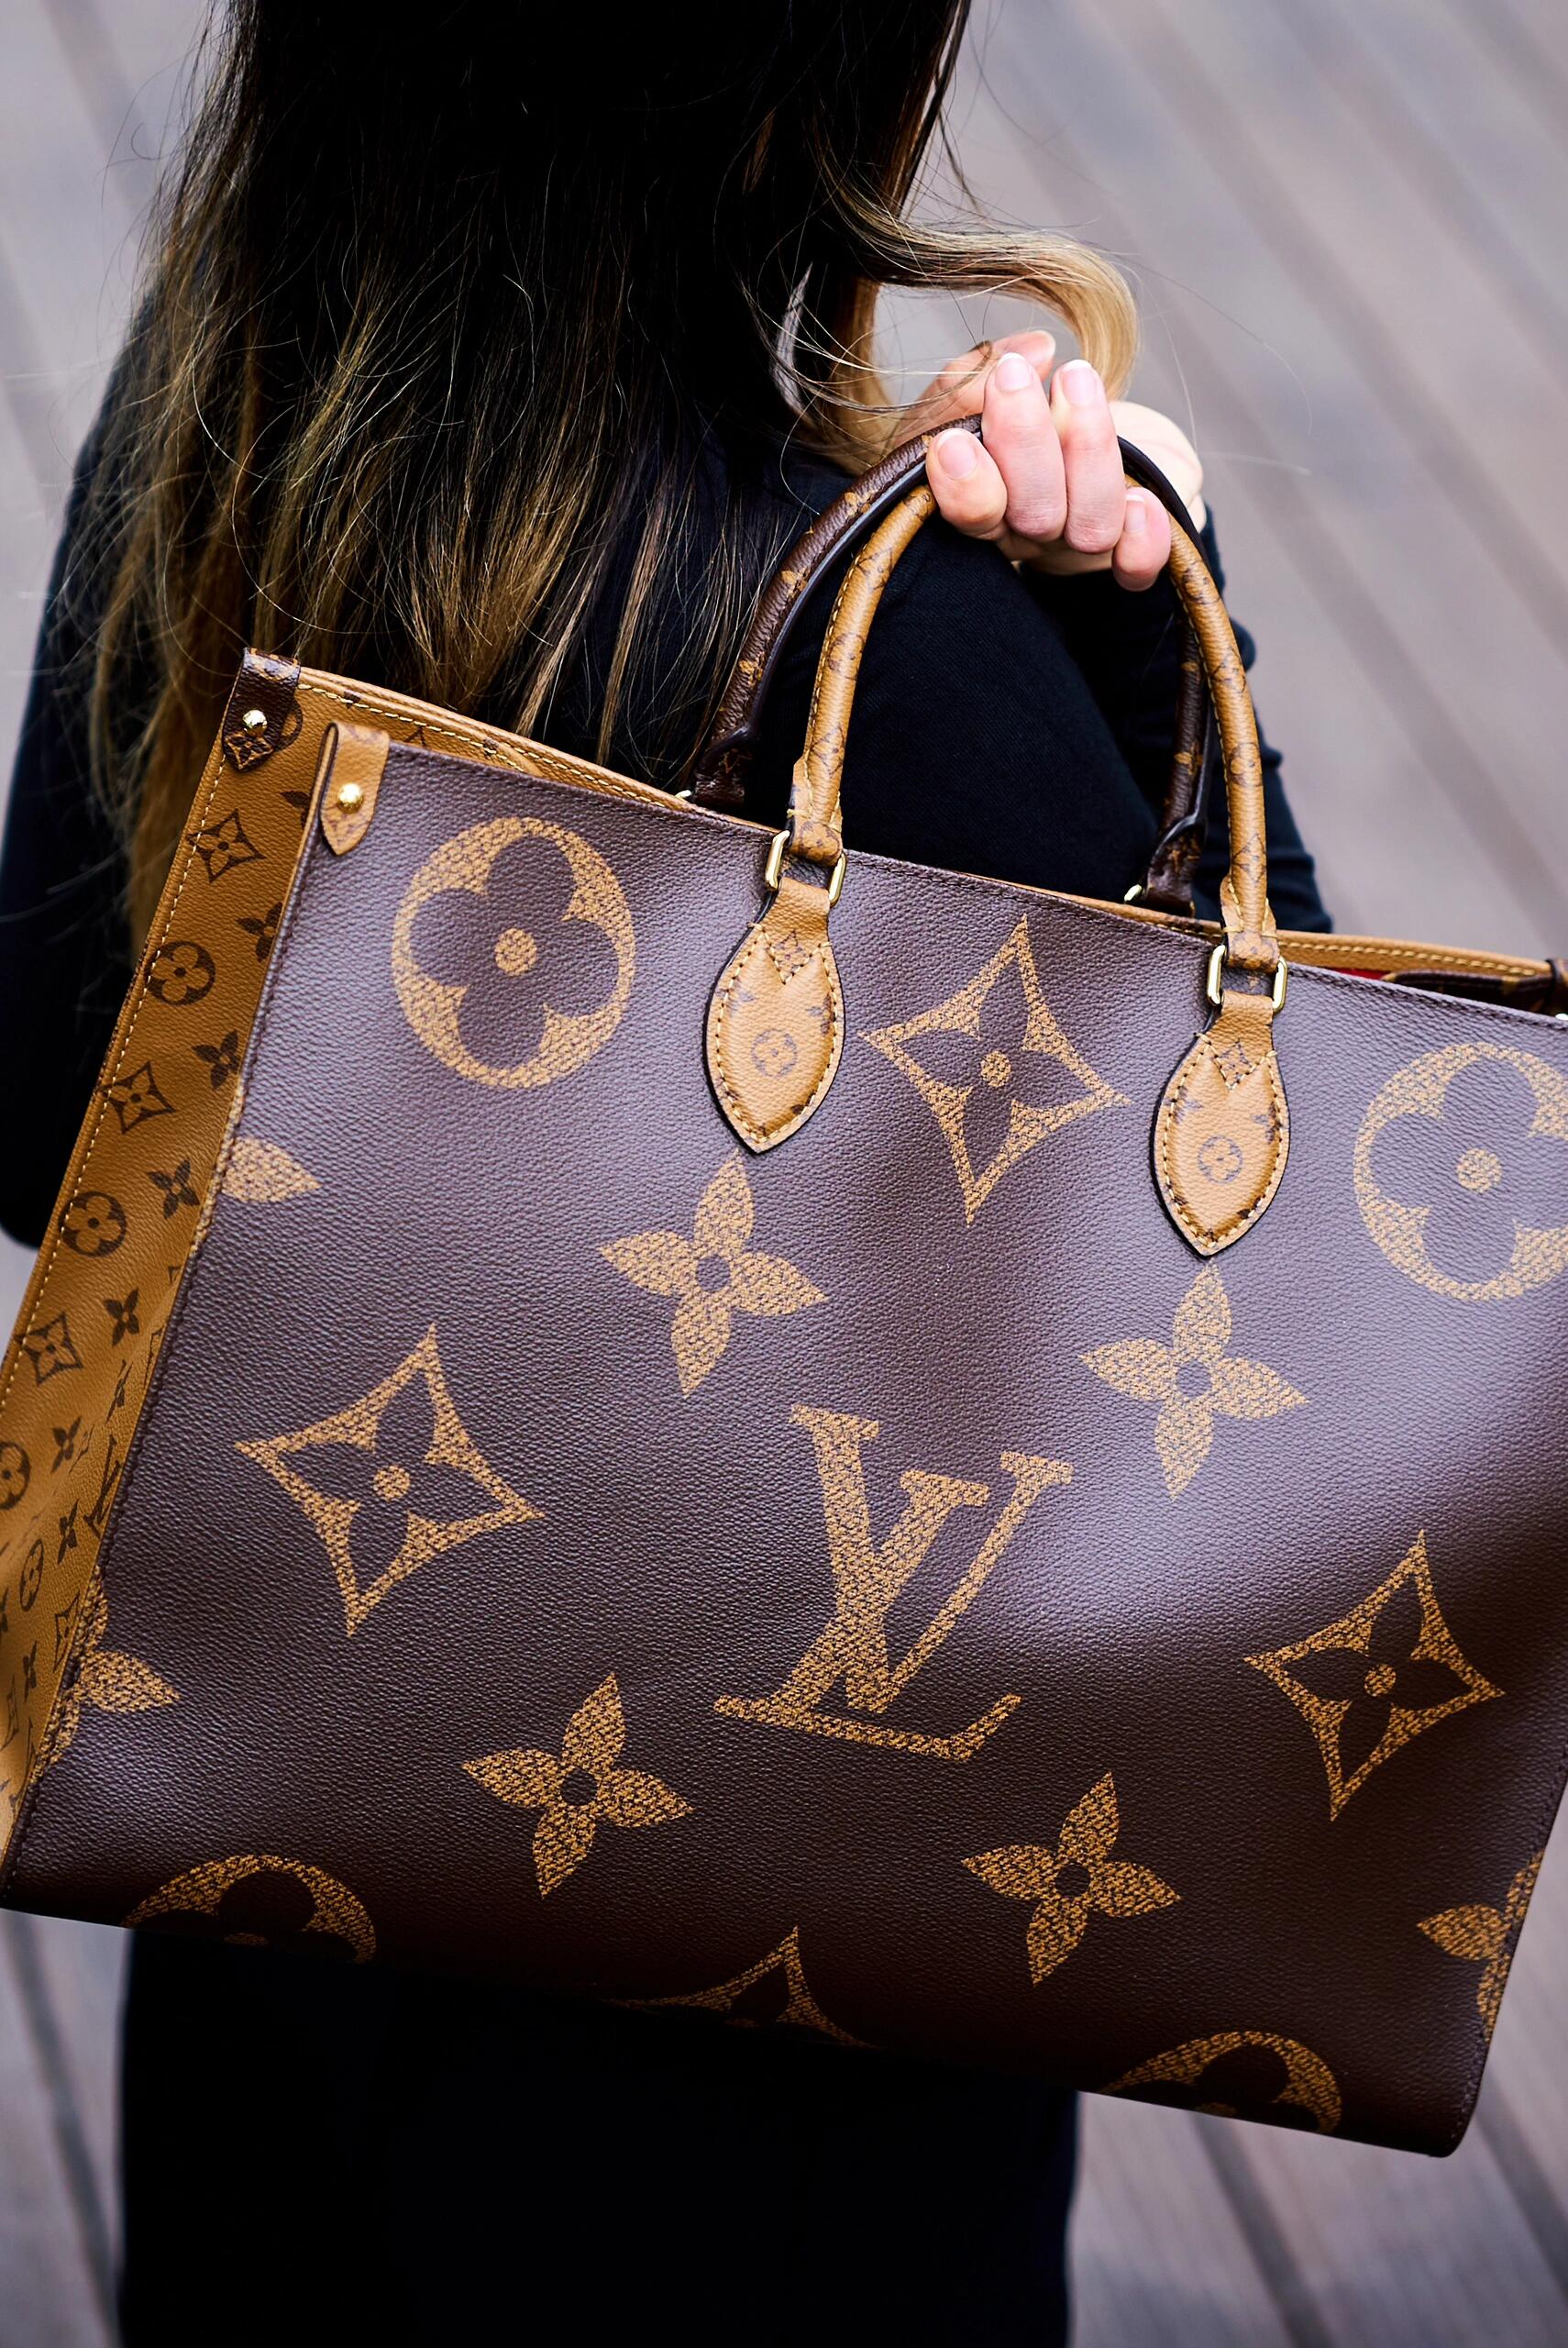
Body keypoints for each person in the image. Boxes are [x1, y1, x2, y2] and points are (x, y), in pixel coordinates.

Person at [0, 5, 1327, 2340]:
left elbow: (47, 1101)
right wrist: (1151, 628)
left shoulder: (225, 435)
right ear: (806, 93)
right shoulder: (914, 661)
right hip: (766, 2128)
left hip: (270, 1992)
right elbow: (1287, 1330)